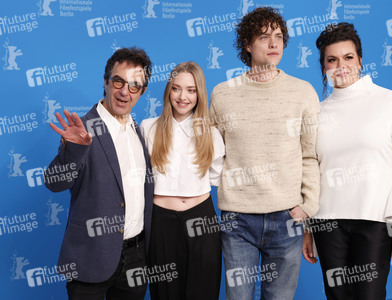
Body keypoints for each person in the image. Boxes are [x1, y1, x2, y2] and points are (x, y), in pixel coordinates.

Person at [302, 23, 392, 299]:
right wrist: (309, 228)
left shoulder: (389, 102)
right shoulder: (317, 113)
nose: (340, 65)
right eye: (332, 60)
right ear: (323, 67)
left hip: (374, 220)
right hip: (327, 223)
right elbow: (312, 171)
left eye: (348, 57)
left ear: (360, 61)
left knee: (370, 295)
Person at [210, 7, 320, 299]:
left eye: (279, 37)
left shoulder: (303, 92)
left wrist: (309, 205)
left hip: (288, 217)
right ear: (247, 44)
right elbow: (210, 153)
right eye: (264, 37)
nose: (274, 44)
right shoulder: (222, 93)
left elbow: (311, 155)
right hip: (238, 219)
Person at [44, 47, 154, 300]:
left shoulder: (139, 131)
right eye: (118, 81)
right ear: (106, 82)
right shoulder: (81, 130)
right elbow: (54, 183)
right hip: (90, 257)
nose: (125, 91)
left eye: (135, 85)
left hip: (136, 257)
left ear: (142, 92)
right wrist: (72, 151)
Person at [140, 61, 224, 300]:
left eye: (191, 90)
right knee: (165, 294)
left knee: (203, 292)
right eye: (176, 88)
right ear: (168, 90)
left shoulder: (212, 134)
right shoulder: (148, 129)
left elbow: (214, 177)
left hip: (201, 220)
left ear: (199, 93)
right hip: (161, 224)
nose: (183, 96)